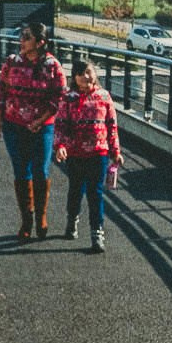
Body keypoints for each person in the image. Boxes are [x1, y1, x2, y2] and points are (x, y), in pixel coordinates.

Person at [0, 20, 66, 241]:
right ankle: (26, 219)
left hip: (42, 127)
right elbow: (2, 90)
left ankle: (41, 216)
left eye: (27, 37)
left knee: (41, 171)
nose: (21, 41)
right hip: (14, 126)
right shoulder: (12, 62)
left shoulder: (53, 66)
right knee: (21, 172)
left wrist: (41, 120)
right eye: (21, 36)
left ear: (40, 42)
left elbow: (59, 97)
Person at [54, 59, 122, 254]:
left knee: (96, 193)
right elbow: (61, 125)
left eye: (88, 72)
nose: (86, 76)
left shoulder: (104, 96)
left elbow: (112, 125)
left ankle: (97, 232)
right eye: (81, 73)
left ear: (95, 74)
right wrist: (60, 146)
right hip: (75, 153)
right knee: (75, 189)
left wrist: (115, 151)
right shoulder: (68, 98)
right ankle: (72, 219)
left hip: (99, 152)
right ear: (74, 78)